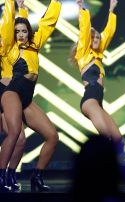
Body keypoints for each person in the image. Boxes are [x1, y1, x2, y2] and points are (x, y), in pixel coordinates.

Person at [0, 0, 62, 192]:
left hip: (26, 97)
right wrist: (13, 3)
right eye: (17, 32)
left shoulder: (35, 44)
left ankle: (36, 176)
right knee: (15, 133)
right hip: (12, 92)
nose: (20, 35)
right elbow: (10, 23)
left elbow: (48, 22)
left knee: (52, 136)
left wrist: (56, 3)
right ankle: (2, 176)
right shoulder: (10, 48)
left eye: (24, 31)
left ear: (29, 32)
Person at [69, 0, 122, 143]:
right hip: (90, 101)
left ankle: (114, 164)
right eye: (94, 38)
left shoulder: (98, 56)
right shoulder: (83, 54)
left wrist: (111, 9)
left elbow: (109, 32)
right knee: (106, 139)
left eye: (98, 37)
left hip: (98, 103)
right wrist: (81, 8)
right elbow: (85, 30)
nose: (97, 39)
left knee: (117, 138)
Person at [0, 0, 29, 192]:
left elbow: (18, 25)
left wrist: (21, 7)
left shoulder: (9, 44)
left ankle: (8, 175)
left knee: (19, 138)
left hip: (9, 92)